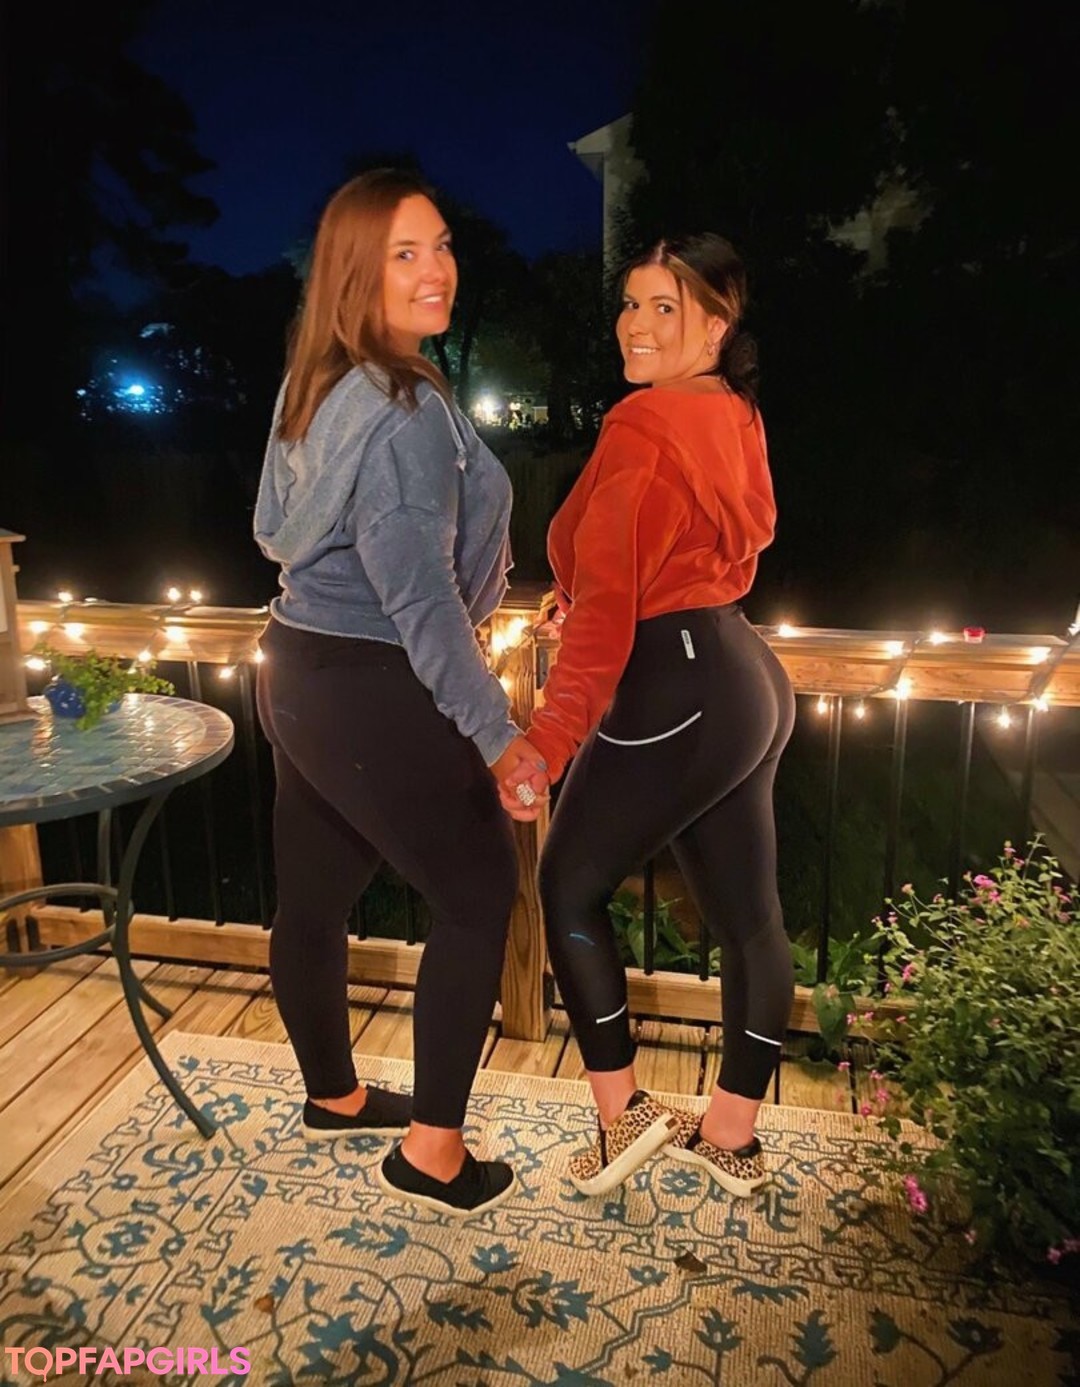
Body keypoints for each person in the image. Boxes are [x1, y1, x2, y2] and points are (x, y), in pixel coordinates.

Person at [254, 168, 547, 1218]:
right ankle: (433, 1152)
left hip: (297, 666)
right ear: (355, 273)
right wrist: (499, 735)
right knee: (478, 893)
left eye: (443, 244)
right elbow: (420, 600)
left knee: (315, 896)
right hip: (372, 678)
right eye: (405, 254)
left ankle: (333, 1095)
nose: (438, 270)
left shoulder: (319, 387)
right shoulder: (406, 411)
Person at [502, 233, 795, 1199]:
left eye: (665, 307)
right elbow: (687, 557)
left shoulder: (643, 427)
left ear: (716, 326)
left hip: (674, 688)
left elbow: (608, 627)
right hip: (743, 676)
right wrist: (588, 594)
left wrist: (546, 742)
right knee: (749, 919)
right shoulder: (730, 413)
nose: (636, 323)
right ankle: (731, 1136)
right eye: (631, 303)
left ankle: (621, 1116)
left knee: (566, 885)